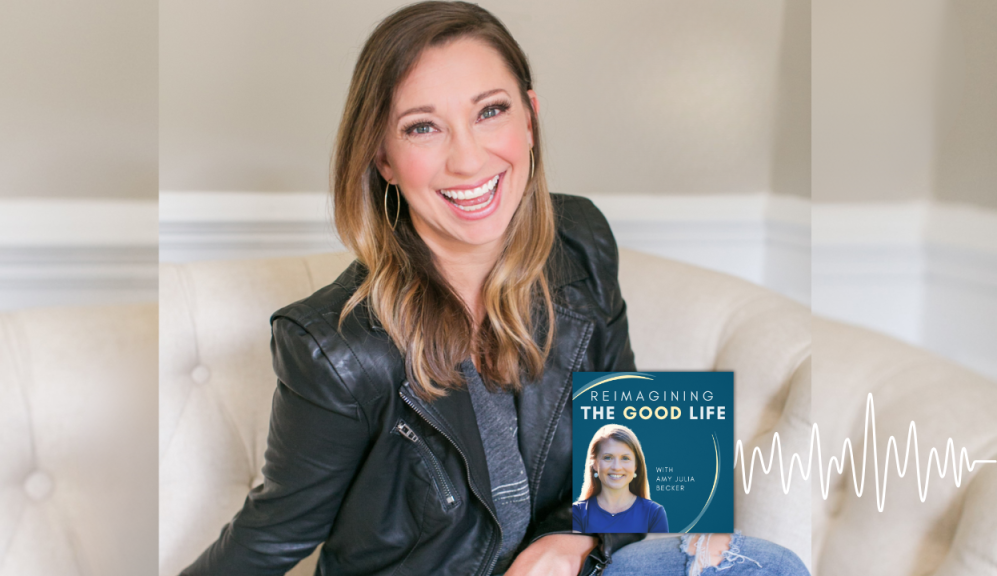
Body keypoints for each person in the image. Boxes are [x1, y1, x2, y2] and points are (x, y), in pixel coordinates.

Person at [179, 2, 810, 575]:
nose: (469, 159)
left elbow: (632, 440)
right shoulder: (336, 349)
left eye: (490, 111)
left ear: (530, 120)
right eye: (423, 127)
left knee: (767, 566)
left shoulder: (580, 243)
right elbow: (268, 540)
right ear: (383, 159)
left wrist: (578, 542)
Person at [573, 425, 668, 534]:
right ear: (594, 464)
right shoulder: (577, 512)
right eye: (607, 457)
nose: (616, 467)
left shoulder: (654, 514)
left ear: (636, 465)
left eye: (625, 458)